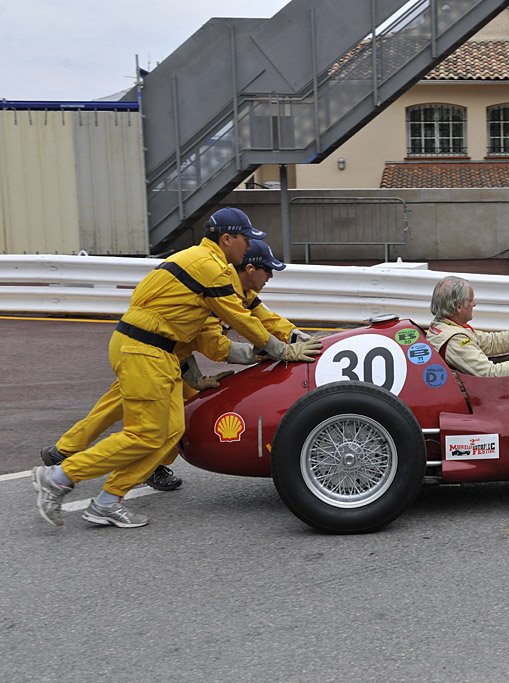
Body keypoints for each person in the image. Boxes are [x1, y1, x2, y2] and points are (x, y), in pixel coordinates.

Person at [32, 208, 323, 529]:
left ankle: (106, 500)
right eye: (245, 239)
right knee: (144, 434)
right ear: (228, 239)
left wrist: (294, 336)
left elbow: (257, 317)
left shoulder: (212, 267)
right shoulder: (210, 268)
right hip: (144, 351)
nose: (247, 246)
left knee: (169, 432)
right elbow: (231, 330)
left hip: (158, 354)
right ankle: (59, 476)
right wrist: (280, 350)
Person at [426, 276, 509, 377]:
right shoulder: (455, 340)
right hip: (473, 396)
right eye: (471, 300)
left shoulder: (444, 324)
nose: (474, 304)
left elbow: (491, 342)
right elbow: (491, 374)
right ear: (459, 306)